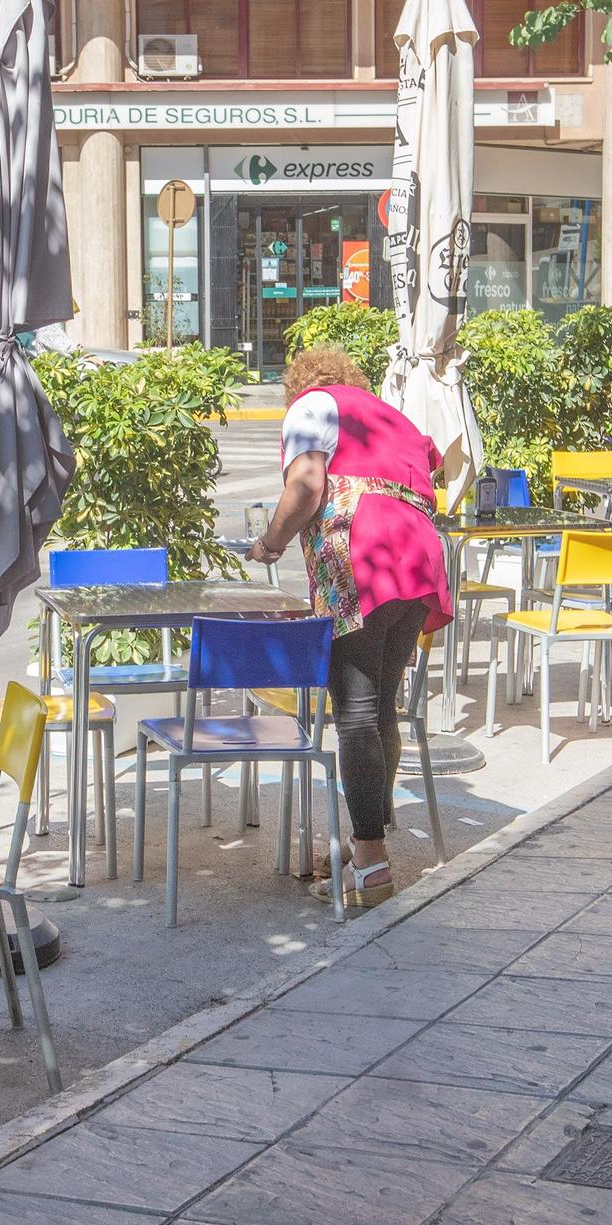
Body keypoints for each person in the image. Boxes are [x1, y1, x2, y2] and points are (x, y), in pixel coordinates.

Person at [248, 348, 453, 908]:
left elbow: (308, 485)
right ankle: (369, 840)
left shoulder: (310, 407)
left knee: (356, 712)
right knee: (381, 705)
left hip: (361, 553)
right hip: (418, 557)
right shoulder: (391, 415)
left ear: (299, 385)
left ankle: (370, 858)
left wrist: (271, 542)